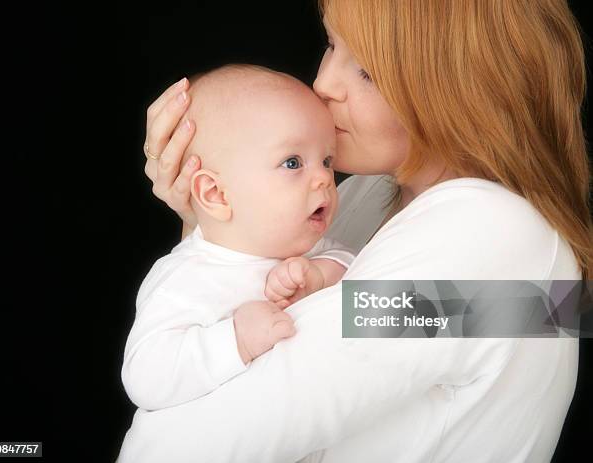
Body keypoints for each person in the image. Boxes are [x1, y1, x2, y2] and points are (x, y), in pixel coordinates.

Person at [120, 0, 592, 461]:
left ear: (461, 87)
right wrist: (213, 223)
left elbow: (191, 442)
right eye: (330, 44)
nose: (323, 83)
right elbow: (204, 375)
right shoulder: (366, 195)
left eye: (366, 70)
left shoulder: (495, 239)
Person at [122, 64, 356, 411]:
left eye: (366, 73)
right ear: (215, 193)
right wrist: (234, 340)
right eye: (293, 162)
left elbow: (450, 317)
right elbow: (148, 374)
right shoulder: (351, 202)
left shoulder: (457, 226)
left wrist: (325, 275)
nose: (325, 83)